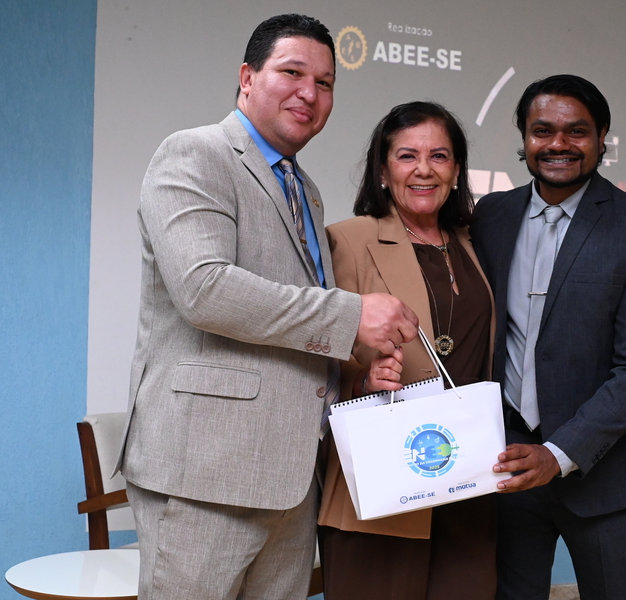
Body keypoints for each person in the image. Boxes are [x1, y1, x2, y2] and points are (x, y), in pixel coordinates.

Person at [115, 14, 418, 600]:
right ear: (248, 77)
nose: (310, 93)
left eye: (325, 82)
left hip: (293, 476)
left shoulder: (306, 190)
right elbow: (205, 289)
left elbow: (292, 325)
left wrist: (357, 364)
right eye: (292, 72)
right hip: (206, 473)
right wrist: (353, 315)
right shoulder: (195, 153)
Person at [470, 74, 626, 599]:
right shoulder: (490, 215)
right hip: (507, 465)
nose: (558, 144)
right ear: (524, 137)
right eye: (543, 130)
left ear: (602, 137)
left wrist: (558, 453)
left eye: (577, 131)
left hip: (607, 475)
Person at [317, 101, 497, 600]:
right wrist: (363, 379)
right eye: (406, 156)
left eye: (439, 156)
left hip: (469, 481)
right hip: (386, 481)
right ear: (382, 170)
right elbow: (318, 350)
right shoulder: (349, 240)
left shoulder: (476, 241)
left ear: (456, 171)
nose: (424, 169)